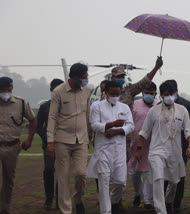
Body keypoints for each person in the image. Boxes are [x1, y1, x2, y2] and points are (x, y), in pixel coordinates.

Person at [135, 81, 190, 214]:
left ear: (176, 93)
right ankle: (161, 210)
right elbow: (144, 132)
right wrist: (139, 149)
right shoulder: (153, 111)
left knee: (174, 182)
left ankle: (168, 201)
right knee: (158, 179)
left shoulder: (182, 110)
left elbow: (188, 131)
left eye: (171, 94)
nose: (169, 97)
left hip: (175, 152)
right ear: (161, 95)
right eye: (166, 95)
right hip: (156, 151)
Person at [46, 63, 92, 214]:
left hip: (82, 140)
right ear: (75, 77)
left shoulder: (87, 90)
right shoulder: (58, 92)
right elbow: (52, 117)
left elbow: (86, 114)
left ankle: (78, 199)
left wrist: (90, 134)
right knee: (63, 177)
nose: (86, 79)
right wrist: (50, 142)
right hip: (62, 140)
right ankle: (66, 210)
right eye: (84, 76)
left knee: (81, 174)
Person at [87, 81, 134, 214]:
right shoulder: (97, 106)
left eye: (117, 94)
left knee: (120, 182)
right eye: (112, 94)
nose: (115, 96)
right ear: (106, 93)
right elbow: (94, 125)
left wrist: (117, 130)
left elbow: (131, 126)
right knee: (104, 183)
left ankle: (113, 202)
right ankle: (106, 211)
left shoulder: (124, 107)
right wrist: (111, 124)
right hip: (103, 150)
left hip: (119, 150)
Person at [0, 76, 37, 214]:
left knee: (8, 180)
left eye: (8, 89)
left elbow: (33, 120)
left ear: (12, 88)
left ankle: (4, 209)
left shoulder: (21, 103)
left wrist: (29, 139)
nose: (6, 92)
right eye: (3, 90)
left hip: (12, 146)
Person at [164, 80, 190, 212]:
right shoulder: (160, 106)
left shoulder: (186, 105)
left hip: (181, 146)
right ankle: (165, 202)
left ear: (176, 90)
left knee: (179, 176)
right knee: (164, 175)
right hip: (164, 146)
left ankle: (177, 203)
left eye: (171, 92)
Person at [128, 82, 158, 211]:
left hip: (152, 145)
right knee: (134, 174)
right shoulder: (134, 105)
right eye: (146, 93)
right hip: (135, 145)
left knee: (149, 173)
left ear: (155, 94)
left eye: (151, 94)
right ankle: (138, 193)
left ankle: (147, 201)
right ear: (142, 93)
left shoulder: (158, 106)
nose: (149, 96)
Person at [37, 78, 64, 210]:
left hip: (65, 144)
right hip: (49, 145)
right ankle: (49, 199)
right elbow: (39, 126)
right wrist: (47, 138)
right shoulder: (44, 107)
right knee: (48, 170)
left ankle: (60, 200)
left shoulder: (67, 105)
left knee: (62, 172)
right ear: (51, 90)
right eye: (55, 89)